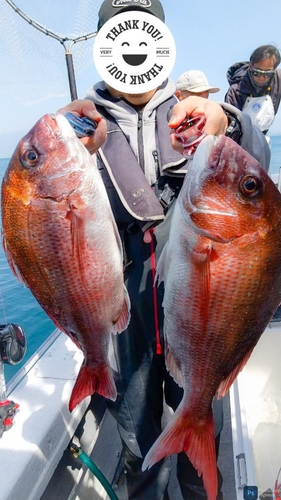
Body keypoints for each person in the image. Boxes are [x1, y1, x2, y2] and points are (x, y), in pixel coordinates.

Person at [58, 1, 270, 498]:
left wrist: (227, 119)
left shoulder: (194, 115)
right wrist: (63, 141)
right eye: (119, 31)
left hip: (201, 307)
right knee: (140, 448)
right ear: (104, 43)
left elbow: (255, 167)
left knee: (201, 436)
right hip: (125, 311)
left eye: (143, 29)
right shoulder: (80, 125)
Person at [225, 44, 281, 134]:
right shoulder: (235, 90)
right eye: (257, 73)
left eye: (268, 74)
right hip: (240, 136)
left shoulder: (278, 78)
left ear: (274, 70)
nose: (262, 77)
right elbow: (229, 123)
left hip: (263, 134)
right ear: (250, 66)